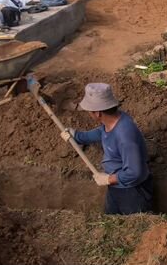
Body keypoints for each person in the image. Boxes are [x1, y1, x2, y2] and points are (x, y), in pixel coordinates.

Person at [60, 83, 153, 215]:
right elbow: (102, 132)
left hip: (133, 192)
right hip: (116, 187)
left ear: (97, 113)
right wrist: (77, 136)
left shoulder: (125, 136)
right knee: (111, 222)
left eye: (90, 111)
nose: (88, 114)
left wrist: (108, 179)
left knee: (132, 231)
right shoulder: (112, 120)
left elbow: (134, 172)